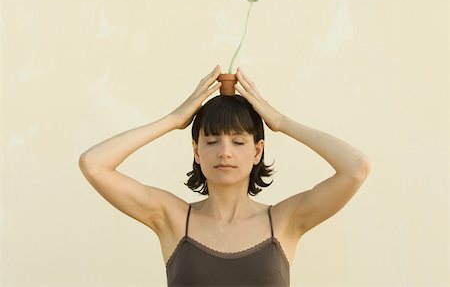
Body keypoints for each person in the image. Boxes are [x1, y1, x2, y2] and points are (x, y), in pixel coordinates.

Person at [79, 65, 371, 286]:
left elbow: (356, 167)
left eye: (238, 141)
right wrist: (173, 119)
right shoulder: (172, 217)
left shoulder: (284, 220)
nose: (225, 152)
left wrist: (280, 121)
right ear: (196, 151)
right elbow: (93, 163)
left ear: (257, 152)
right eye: (212, 140)